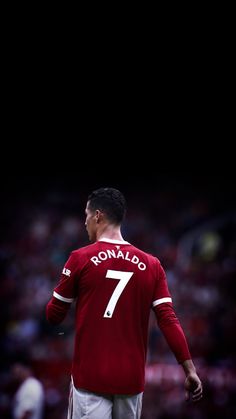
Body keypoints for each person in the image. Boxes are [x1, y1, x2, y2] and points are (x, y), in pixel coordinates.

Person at [46, 187, 203, 418]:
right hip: (130, 380)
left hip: (91, 377)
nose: (85, 222)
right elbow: (168, 319)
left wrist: (66, 287)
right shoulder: (152, 265)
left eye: (86, 215)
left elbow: (54, 316)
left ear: (98, 215)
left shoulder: (80, 258)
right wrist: (189, 370)